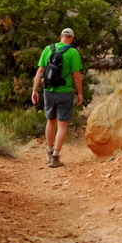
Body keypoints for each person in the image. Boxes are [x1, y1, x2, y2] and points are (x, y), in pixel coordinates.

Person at [31, 27, 83, 167]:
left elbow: (40, 71)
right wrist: (80, 93)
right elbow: (76, 75)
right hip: (64, 92)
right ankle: (55, 156)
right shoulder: (73, 52)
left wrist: (35, 90)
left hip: (48, 91)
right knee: (62, 125)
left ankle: (48, 151)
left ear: (61, 36)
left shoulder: (48, 49)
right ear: (71, 38)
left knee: (50, 121)